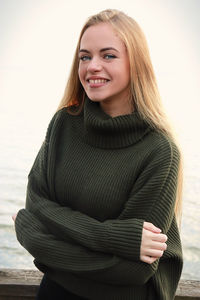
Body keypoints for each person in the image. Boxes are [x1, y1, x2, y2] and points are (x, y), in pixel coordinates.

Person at [13, 9, 183, 300]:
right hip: (55, 292)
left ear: (136, 64)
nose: (92, 66)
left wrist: (48, 243)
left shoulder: (160, 151)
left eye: (108, 55)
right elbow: (33, 212)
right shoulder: (63, 124)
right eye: (85, 56)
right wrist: (119, 238)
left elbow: (134, 271)